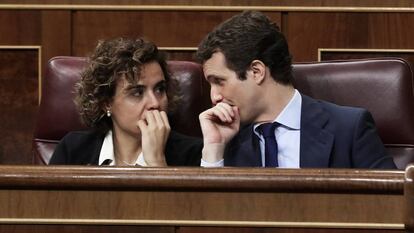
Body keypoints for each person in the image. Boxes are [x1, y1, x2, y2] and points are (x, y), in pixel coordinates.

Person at [196, 11, 397, 169]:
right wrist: (214, 150)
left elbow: (394, 207)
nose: (214, 97)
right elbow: (208, 218)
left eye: (219, 81)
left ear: (256, 72)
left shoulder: (349, 129)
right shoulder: (226, 141)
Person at [50, 37, 202, 166]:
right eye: (137, 93)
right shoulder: (73, 150)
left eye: (159, 89)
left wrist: (157, 163)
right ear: (106, 103)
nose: (154, 103)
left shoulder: (192, 154)